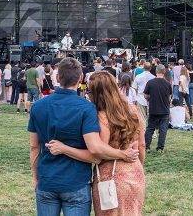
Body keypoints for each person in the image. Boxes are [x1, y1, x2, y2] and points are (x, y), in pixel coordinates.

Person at [28, 58, 139, 216]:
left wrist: (36, 177)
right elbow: (95, 154)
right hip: (77, 182)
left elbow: (34, 147)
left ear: (58, 78)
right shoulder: (87, 108)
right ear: (80, 78)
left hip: (47, 179)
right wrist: (122, 154)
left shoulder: (38, 106)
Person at [144, 64, 172, 153]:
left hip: (153, 109)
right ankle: (160, 148)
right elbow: (169, 97)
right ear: (164, 72)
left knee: (150, 128)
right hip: (164, 109)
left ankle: (146, 147)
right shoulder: (167, 84)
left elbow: (145, 95)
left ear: (156, 71)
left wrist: (150, 98)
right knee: (163, 130)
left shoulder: (150, 82)